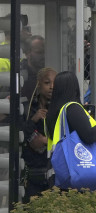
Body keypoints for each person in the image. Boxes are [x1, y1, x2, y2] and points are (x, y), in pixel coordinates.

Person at [46, 71, 96, 186]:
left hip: (60, 171)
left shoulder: (53, 112)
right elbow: (90, 136)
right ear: (75, 87)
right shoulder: (72, 108)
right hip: (77, 171)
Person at [20, 66, 55, 201]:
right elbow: (19, 134)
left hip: (53, 170)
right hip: (32, 171)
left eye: (54, 84)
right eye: (47, 83)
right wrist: (33, 120)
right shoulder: (28, 108)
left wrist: (47, 141)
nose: (52, 87)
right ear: (38, 84)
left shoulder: (59, 109)